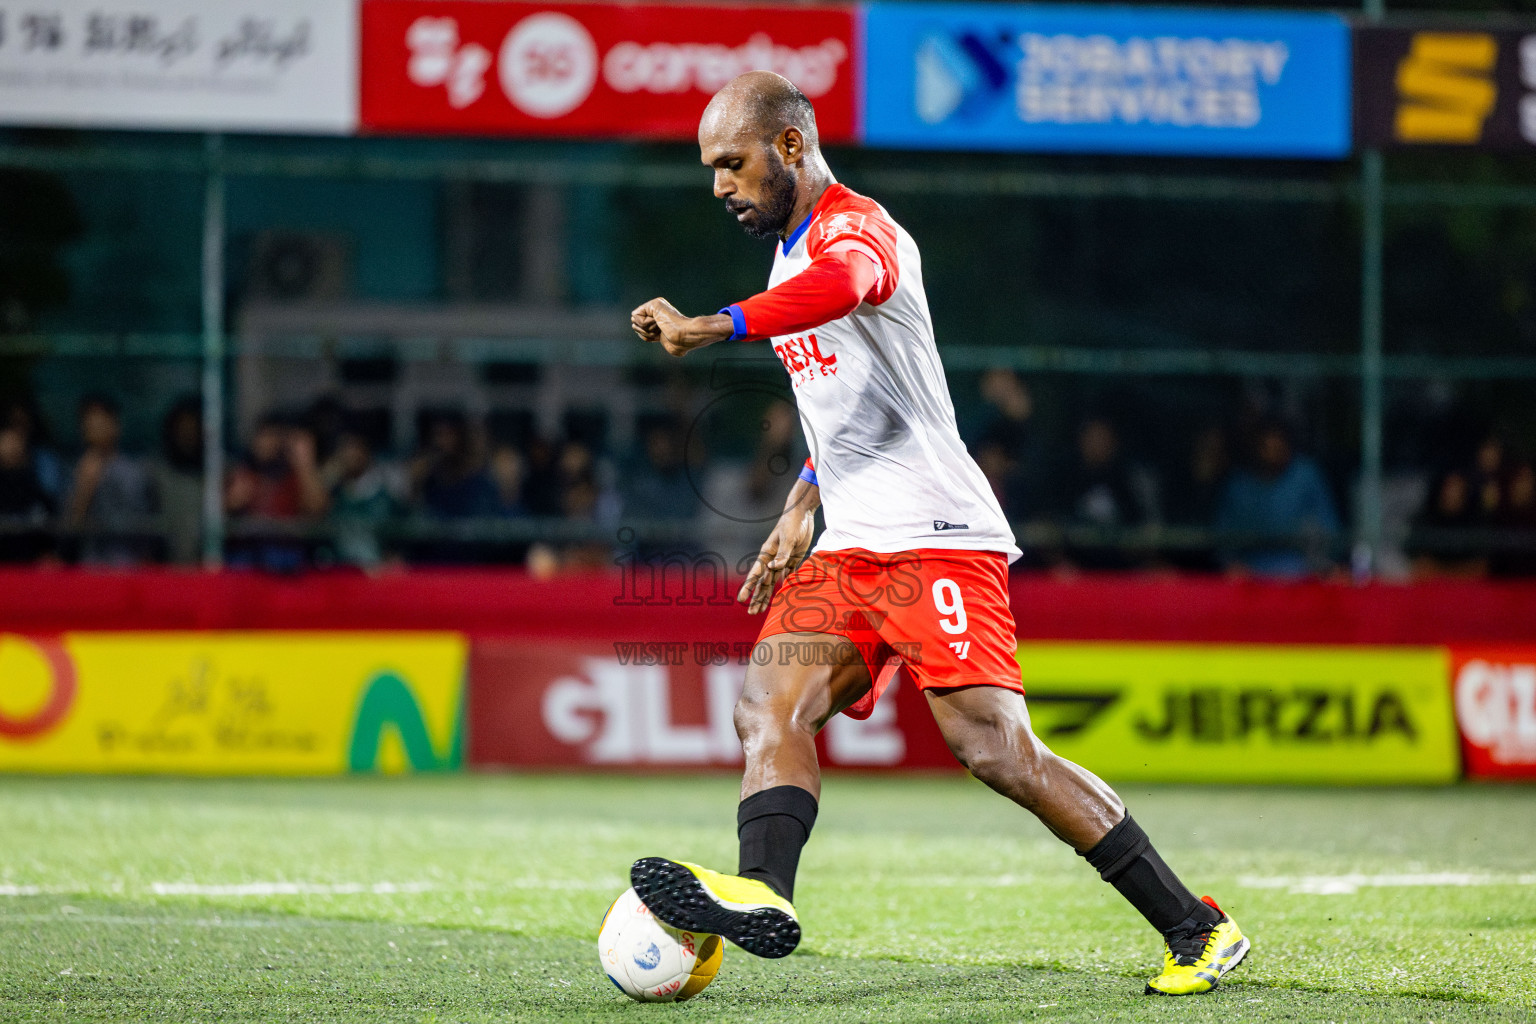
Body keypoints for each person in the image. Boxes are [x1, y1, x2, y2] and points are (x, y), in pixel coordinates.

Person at [625, 71, 1247, 997]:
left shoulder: (857, 230)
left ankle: (1198, 929)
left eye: (733, 162)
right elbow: (843, 402)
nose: (720, 184)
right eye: (712, 167)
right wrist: (803, 501)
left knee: (997, 750)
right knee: (769, 705)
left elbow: (847, 287)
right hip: (850, 543)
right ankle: (763, 891)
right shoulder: (786, 253)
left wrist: (714, 328)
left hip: (937, 535)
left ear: (790, 147)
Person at [1214, 419, 1340, 579]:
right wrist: (1231, 564)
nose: (1272, 454)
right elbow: (1222, 540)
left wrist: (1320, 565)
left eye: (1278, 448)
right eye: (1266, 447)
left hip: (1302, 574)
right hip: (1248, 579)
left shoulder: (1306, 476)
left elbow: (1330, 532)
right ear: (1255, 449)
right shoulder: (1238, 484)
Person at [65, 394, 155, 566]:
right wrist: (84, 489)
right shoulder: (74, 471)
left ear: (115, 425)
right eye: (89, 425)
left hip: (127, 566)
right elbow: (67, 529)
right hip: (89, 566)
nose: (94, 430)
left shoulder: (133, 472)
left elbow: (142, 525)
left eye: (100, 423)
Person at [152, 398, 204, 566]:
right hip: (165, 569)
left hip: (207, 569)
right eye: (182, 428)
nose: (188, 435)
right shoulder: (155, 474)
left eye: (193, 428)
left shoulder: (221, 473)